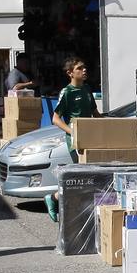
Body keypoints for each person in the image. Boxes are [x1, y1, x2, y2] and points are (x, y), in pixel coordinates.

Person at [44, 57, 100, 221]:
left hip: (90, 138)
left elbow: (95, 114)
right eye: (80, 68)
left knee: (88, 176)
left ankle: (56, 197)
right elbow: (56, 119)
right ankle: (56, 199)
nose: (84, 70)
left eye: (84, 68)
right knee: (84, 177)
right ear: (70, 73)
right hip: (76, 142)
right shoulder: (67, 92)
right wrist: (73, 132)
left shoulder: (87, 89)